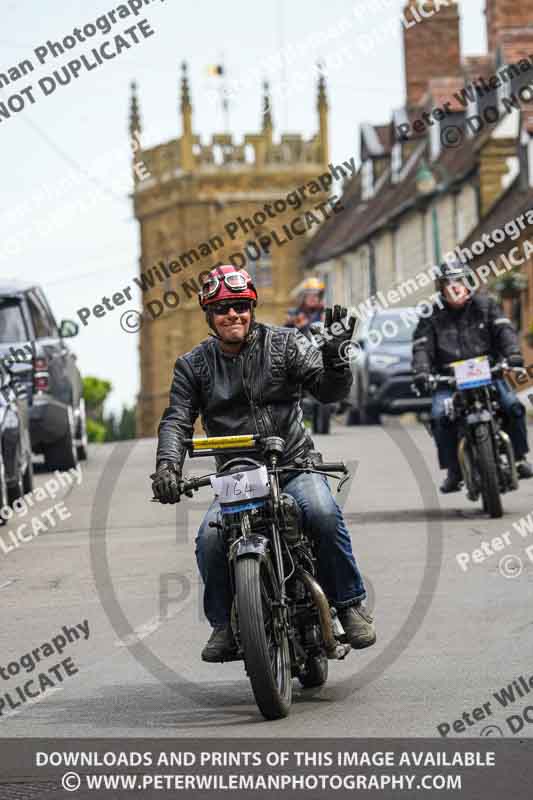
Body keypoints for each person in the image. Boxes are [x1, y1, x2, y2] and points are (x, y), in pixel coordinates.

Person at [151, 264, 375, 662]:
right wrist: (168, 467)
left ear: (251, 308)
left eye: (240, 306)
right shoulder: (192, 365)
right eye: (222, 309)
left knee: (322, 513)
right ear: (209, 316)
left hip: (293, 464)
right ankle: (224, 625)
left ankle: (348, 605)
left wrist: (336, 361)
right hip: (237, 474)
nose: (232, 315)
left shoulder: (285, 344)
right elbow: (177, 420)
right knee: (210, 539)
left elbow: (327, 391)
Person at [412, 260, 533, 493]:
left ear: (468, 283)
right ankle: (453, 471)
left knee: (513, 406)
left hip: (489, 373)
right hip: (448, 379)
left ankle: (519, 458)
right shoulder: (431, 315)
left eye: (458, 281)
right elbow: (421, 347)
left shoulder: (486, 305)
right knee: (439, 417)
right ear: (440, 287)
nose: (454, 287)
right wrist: (422, 371)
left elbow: (504, 331)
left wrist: (513, 355)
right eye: (448, 283)